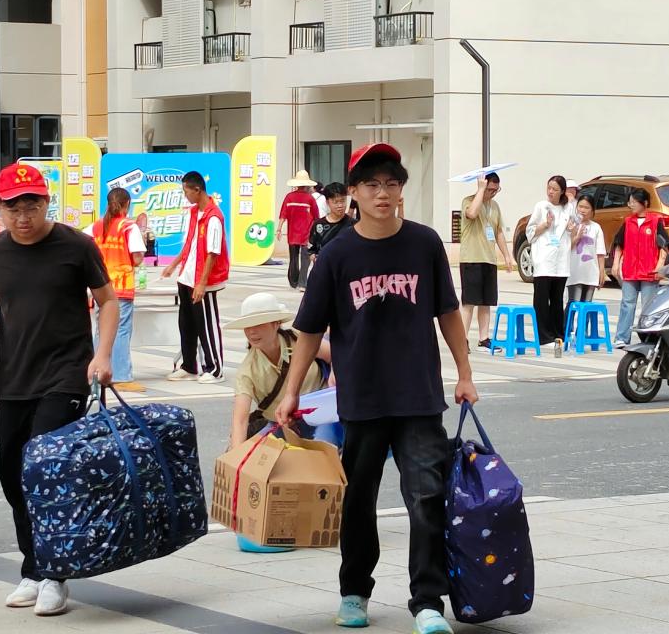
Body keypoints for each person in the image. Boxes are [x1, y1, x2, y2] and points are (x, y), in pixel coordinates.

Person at [274, 143, 477, 634]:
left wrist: (465, 374)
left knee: (426, 498)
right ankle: (354, 592)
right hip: (361, 400)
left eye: (391, 184)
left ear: (401, 190)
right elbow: (309, 330)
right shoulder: (336, 254)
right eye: (371, 185)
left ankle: (427, 601)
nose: (382, 193)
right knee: (357, 501)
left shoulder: (425, 243)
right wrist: (292, 390)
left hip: (418, 396)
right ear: (355, 192)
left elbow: (448, 312)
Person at [0, 163, 118, 616]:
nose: (23, 217)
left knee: (47, 469)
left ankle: (55, 574)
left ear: (46, 203)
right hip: (13, 379)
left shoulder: (76, 246)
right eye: (13, 208)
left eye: (31, 206)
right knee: (13, 476)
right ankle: (33, 568)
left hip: (65, 375)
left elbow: (108, 301)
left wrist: (103, 355)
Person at [227, 292, 332, 448]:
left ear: (276, 324)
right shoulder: (247, 371)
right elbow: (240, 421)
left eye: (258, 324)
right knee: (255, 456)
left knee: (325, 451)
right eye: (247, 326)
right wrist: (236, 457)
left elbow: (334, 356)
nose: (251, 332)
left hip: (324, 417)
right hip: (282, 426)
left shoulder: (299, 339)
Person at [162, 171, 230, 384]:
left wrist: (202, 283)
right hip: (187, 277)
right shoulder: (193, 213)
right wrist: (173, 265)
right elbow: (189, 243)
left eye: (186, 191)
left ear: (197, 190)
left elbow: (213, 253)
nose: (185, 195)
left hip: (203, 281)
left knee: (207, 325)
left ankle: (215, 369)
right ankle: (189, 366)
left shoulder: (214, 217)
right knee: (187, 324)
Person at [89, 188, 146, 383]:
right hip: (121, 286)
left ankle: (96, 372)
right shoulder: (129, 227)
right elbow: (137, 258)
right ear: (127, 204)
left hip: (100, 287)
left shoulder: (96, 226)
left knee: (101, 329)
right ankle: (121, 374)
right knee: (120, 329)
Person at [459, 173, 515, 351]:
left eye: (496, 190)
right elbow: (472, 213)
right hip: (471, 258)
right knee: (469, 302)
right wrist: (481, 190)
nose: (493, 193)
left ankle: (484, 339)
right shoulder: (468, 201)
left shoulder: (495, 206)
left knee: (486, 301)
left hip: (489, 259)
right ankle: (462, 340)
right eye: (490, 189)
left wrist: (507, 255)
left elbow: (498, 231)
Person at [611, 189, 669, 346]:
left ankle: (648, 338)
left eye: (634, 202)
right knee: (627, 304)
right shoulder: (628, 222)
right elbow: (619, 244)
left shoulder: (655, 221)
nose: (630, 205)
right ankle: (622, 337)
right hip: (630, 270)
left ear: (644, 203)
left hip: (649, 271)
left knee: (648, 306)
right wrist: (616, 263)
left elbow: (664, 246)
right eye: (629, 201)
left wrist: (660, 266)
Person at [526, 176, 575, 346]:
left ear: (562, 191)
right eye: (549, 188)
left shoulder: (568, 208)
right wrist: (545, 225)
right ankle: (543, 336)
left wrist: (571, 229)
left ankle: (557, 333)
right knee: (541, 299)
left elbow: (571, 228)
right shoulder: (541, 206)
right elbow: (530, 232)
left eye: (555, 189)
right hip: (544, 258)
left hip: (561, 259)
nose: (550, 192)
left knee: (557, 299)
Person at [277, 170, 320, 290]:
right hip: (306, 234)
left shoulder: (289, 197)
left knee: (293, 258)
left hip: (292, 233)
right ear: (307, 185)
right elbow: (316, 217)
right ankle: (302, 284)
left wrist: (279, 229)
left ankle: (293, 281)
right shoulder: (310, 198)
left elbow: (283, 214)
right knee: (305, 259)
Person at [566, 193, 607, 310]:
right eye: (580, 206)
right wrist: (577, 236)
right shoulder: (571, 225)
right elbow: (567, 247)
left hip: (591, 272)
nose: (582, 210)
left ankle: (584, 323)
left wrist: (601, 271)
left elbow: (600, 252)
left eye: (586, 207)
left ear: (592, 211)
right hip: (575, 271)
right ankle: (567, 322)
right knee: (574, 302)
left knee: (587, 305)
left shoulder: (596, 227)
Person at [308, 182, 353, 262]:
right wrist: (314, 258)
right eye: (336, 202)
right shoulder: (318, 224)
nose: (340, 205)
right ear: (327, 202)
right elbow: (311, 248)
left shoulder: (354, 225)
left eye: (343, 201)